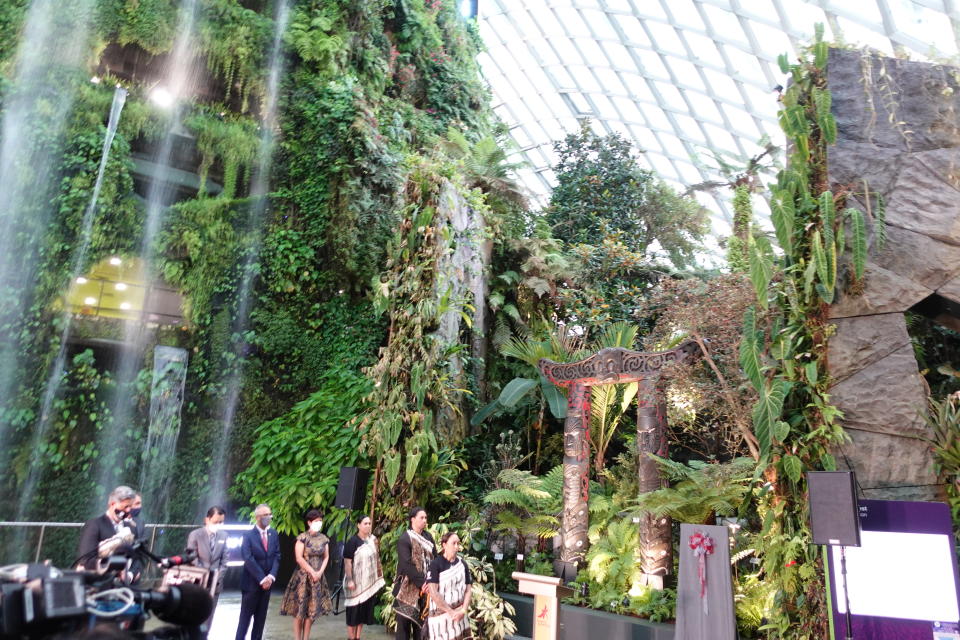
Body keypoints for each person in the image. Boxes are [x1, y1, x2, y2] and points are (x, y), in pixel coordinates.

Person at [280, 509, 333, 640]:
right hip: (303, 578)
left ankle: (306, 638)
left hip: (317, 578)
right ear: (309, 522)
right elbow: (299, 558)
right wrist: (312, 572)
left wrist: (319, 572)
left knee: (312, 611)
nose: (319, 523)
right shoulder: (302, 538)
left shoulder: (324, 539)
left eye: (320, 521)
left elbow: (326, 557)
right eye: (316, 521)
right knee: (299, 612)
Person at [235, 503, 280, 640]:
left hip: (267, 585)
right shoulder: (248, 535)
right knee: (245, 621)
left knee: (260, 622)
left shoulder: (273, 533)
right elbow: (248, 558)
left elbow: (277, 556)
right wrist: (262, 579)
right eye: (265, 515)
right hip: (251, 585)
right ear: (257, 517)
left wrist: (271, 577)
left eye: (269, 514)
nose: (269, 517)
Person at [186, 506, 228, 637]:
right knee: (195, 616)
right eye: (216, 522)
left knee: (209, 618)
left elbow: (225, 561)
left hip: (215, 586)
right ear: (207, 519)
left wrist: (216, 577)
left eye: (221, 522)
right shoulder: (195, 535)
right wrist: (205, 575)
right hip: (198, 583)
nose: (218, 525)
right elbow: (192, 558)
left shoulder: (224, 535)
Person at [394, 506, 434, 640]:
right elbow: (406, 565)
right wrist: (423, 583)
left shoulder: (428, 537)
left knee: (422, 630)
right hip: (406, 590)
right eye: (421, 518)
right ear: (412, 519)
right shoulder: (405, 539)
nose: (424, 520)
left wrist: (430, 582)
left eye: (425, 518)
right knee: (403, 630)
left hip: (425, 591)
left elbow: (434, 560)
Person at [76, 485, 137, 571]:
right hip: (99, 581)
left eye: (130, 507)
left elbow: (136, 558)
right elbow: (86, 559)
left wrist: (131, 575)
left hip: (126, 583)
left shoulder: (131, 527)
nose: (128, 510)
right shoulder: (94, 525)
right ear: (112, 504)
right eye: (126, 506)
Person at [343, 514, 385, 640]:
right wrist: (350, 580)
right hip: (355, 583)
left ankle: (357, 637)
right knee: (353, 612)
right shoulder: (352, 541)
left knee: (362, 613)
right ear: (358, 525)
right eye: (365, 523)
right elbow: (347, 562)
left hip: (367, 583)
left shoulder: (373, 540)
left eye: (369, 523)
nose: (367, 526)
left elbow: (377, 559)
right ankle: (351, 637)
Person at [425, 532, 473, 640]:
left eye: (458, 543)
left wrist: (463, 611)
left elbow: (468, 590)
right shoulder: (435, 565)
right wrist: (451, 612)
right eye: (453, 543)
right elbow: (433, 592)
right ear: (444, 545)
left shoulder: (462, 564)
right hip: (440, 620)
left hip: (460, 617)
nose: (456, 547)